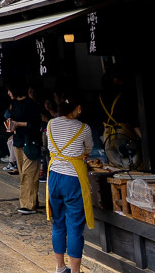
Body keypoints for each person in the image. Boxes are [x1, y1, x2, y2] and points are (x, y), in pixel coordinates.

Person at [47, 94, 94, 273]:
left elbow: (50, 145)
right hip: (73, 178)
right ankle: (75, 271)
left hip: (54, 176)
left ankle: (60, 267)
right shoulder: (84, 128)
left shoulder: (51, 124)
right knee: (74, 226)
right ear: (78, 108)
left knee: (58, 223)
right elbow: (88, 149)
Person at [9, 83, 44, 214]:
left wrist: (18, 124)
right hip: (18, 141)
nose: (8, 93)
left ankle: (28, 204)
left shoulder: (31, 104)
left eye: (9, 90)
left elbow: (35, 124)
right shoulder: (13, 103)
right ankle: (32, 200)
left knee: (29, 174)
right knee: (24, 174)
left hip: (31, 142)